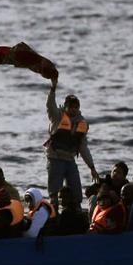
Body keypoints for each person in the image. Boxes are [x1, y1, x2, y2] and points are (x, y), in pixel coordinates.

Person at [44, 79, 99, 207]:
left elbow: (83, 148)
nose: (73, 110)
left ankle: (76, 213)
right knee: (54, 193)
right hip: (55, 159)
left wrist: (92, 167)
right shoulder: (57, 116)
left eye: (76, 107)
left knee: (76, 193)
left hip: (70, 161)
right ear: (66, 106)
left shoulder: (82, 123)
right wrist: (52, 89)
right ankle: (54, 216)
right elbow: (50, 105)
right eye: (71, 107)